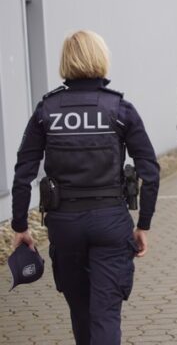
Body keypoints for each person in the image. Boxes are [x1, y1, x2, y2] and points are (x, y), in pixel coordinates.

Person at [11, 30, 160, 345]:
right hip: (111, 223)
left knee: (80, 311)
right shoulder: (120, 109)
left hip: (65, 224)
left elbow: (24, 170)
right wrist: (143, 224)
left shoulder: (47, 110)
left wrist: (20, 226)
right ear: (101, 59)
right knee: (105, 314)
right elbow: (150, 170)